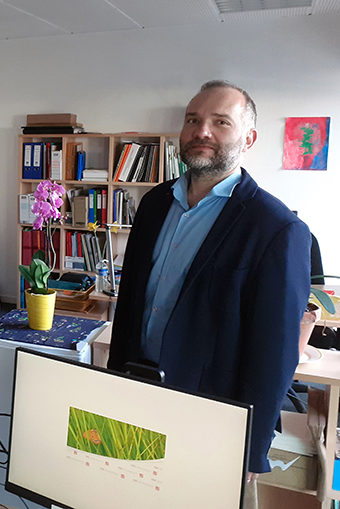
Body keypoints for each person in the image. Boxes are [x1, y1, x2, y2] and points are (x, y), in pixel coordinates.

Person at [107, 81, 311, 476]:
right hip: (136, 389)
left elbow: (274, 355)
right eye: (193, 120)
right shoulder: (153, 203)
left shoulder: (276, 228)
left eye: (221, 122)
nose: (202, 131)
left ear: (248, 138)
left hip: (210, 411)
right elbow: (131, 302)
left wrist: (252, 451)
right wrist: (115, 385)